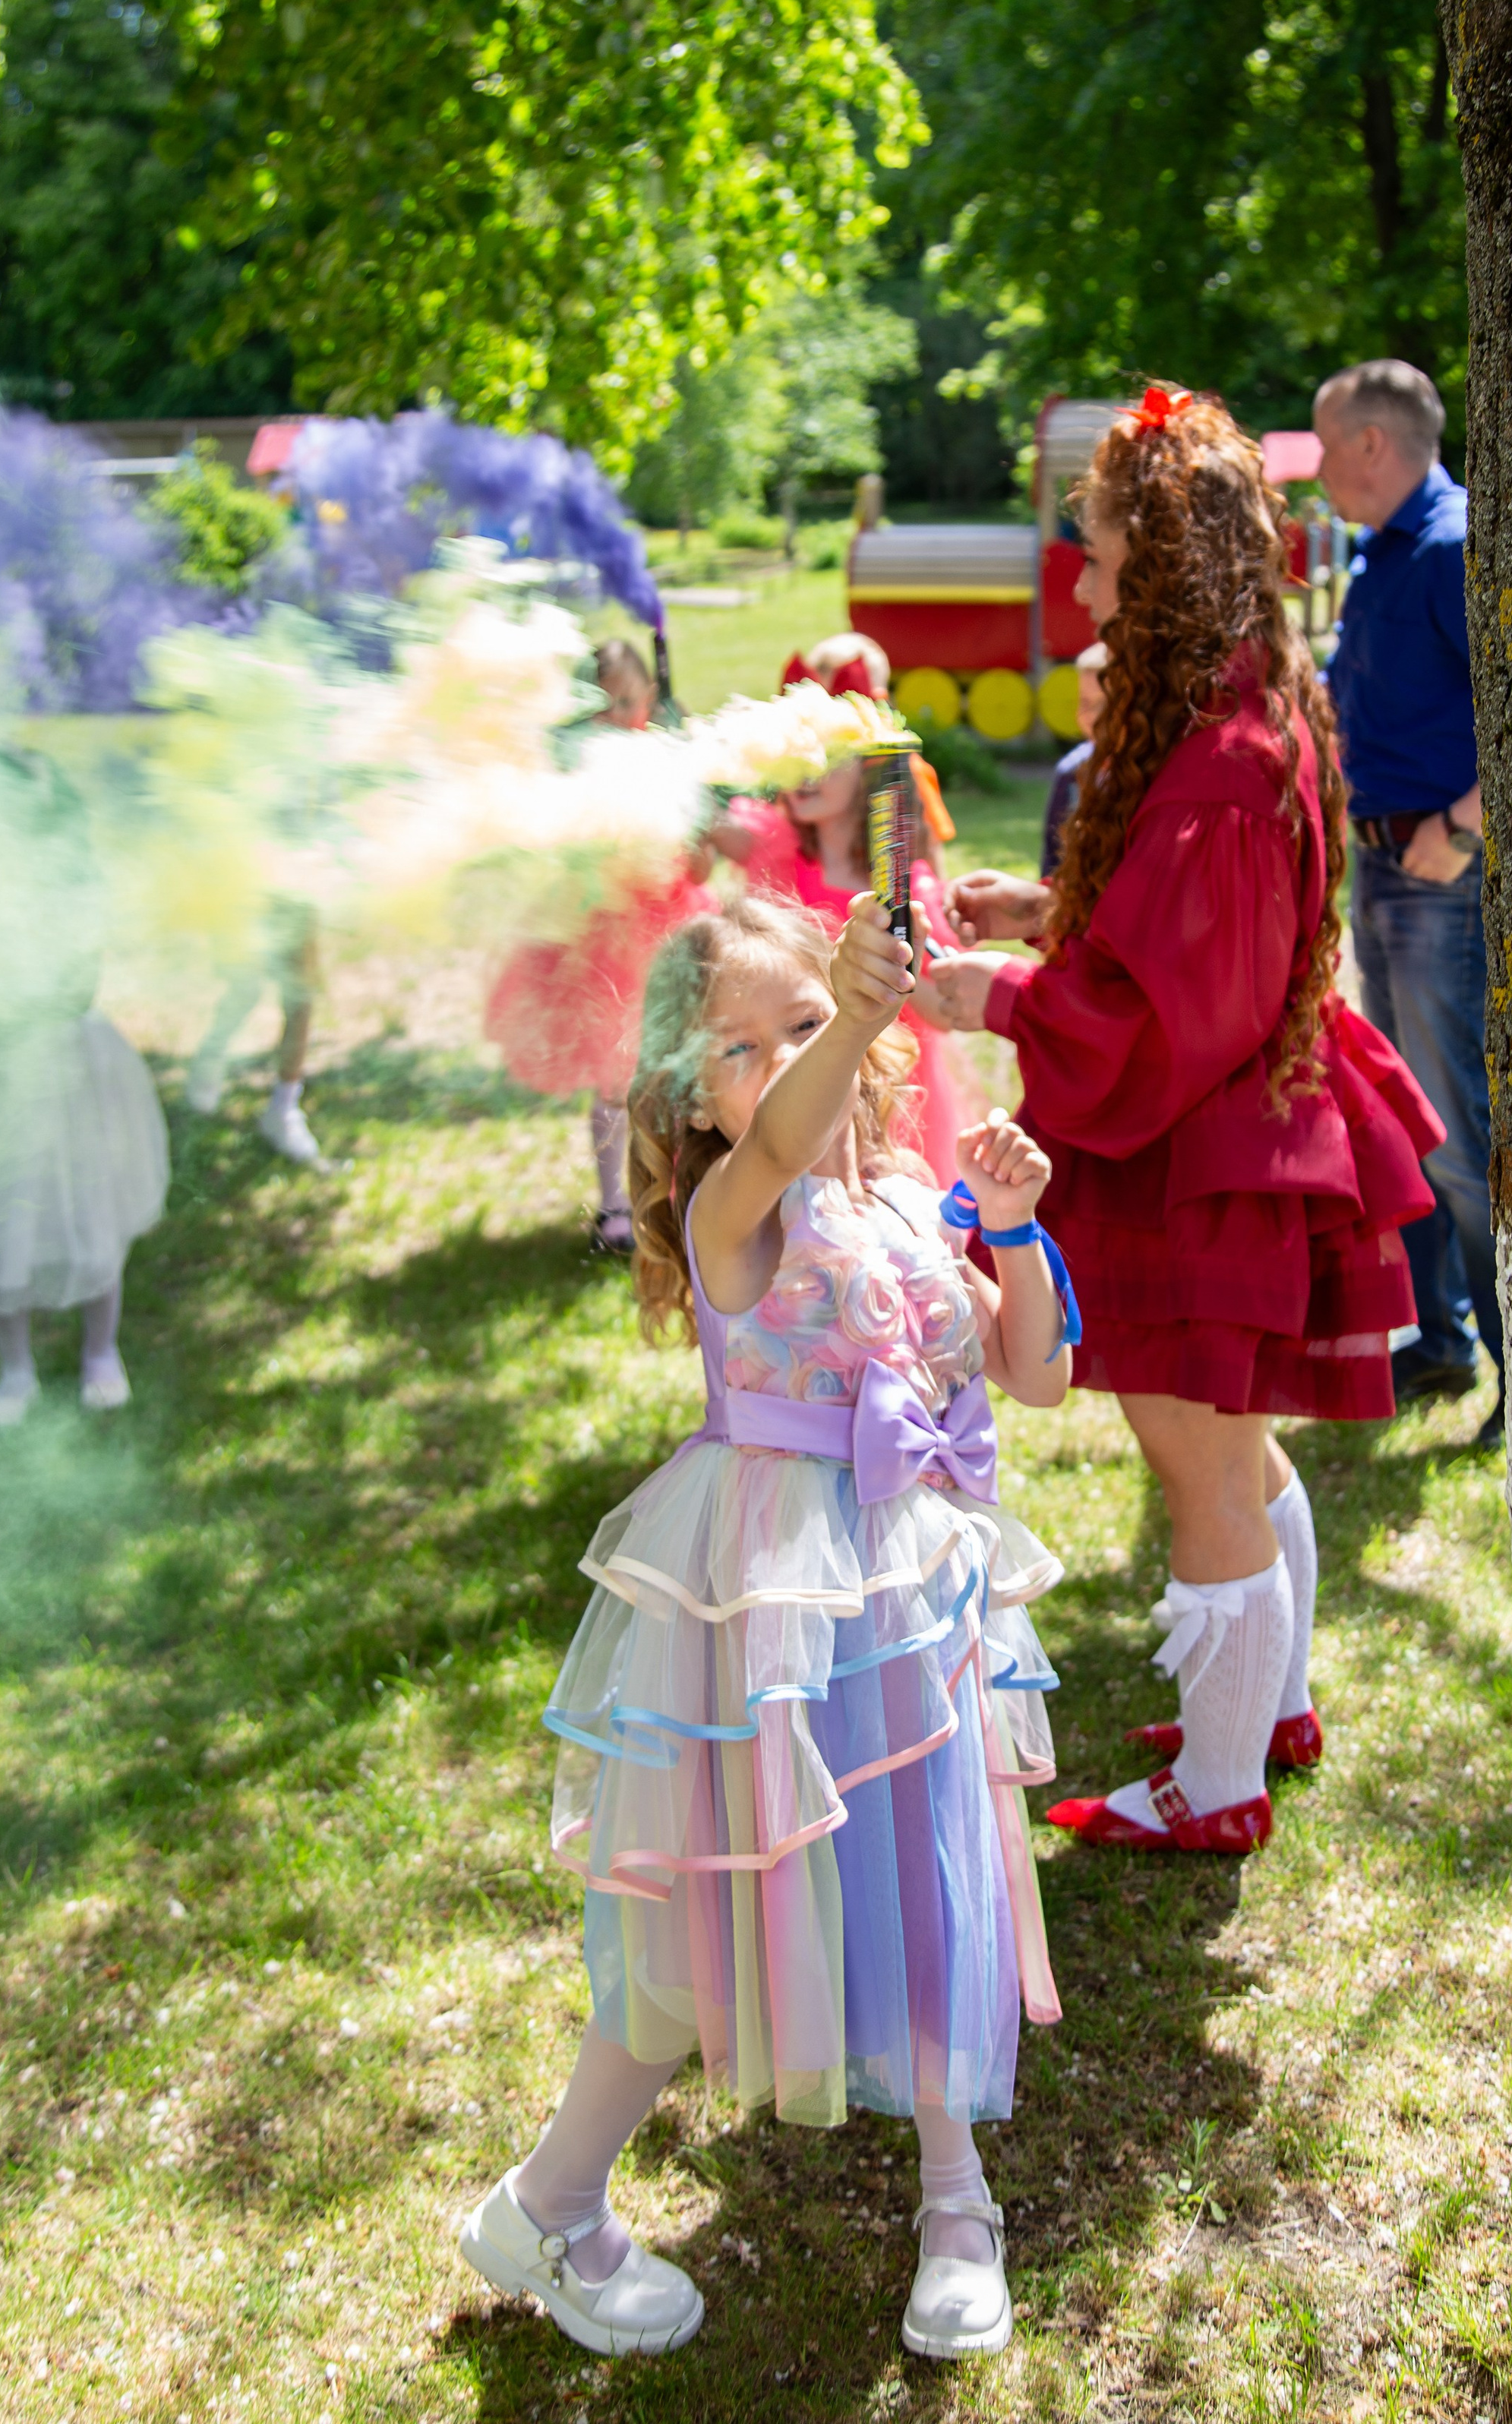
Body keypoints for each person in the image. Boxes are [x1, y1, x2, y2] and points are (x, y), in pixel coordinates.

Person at [456, 892, 1069, 2359]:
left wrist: (1030, 1234)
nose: (782, 1061)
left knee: (928, 1880)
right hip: (772, 1604)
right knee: (713, 1917)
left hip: (912, 1593)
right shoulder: (732, 1205)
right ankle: (548, 2200)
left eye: (806, 1023)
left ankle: (956, 2199)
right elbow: (788, 1138)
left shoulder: (921, 1205)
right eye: (741, 1049)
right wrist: (857, 1006)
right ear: (693, 1095)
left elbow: (1031, 1376)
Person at [924, 387, 1441, 1853]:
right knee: (1243, 1452)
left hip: (1201, 1159)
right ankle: (1259, 1708)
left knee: (1201, 1466)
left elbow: (1169, 1014)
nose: (1076, 584)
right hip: (1235, 1131)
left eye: (1092, 558)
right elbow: (1190, 933)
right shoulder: (1245, 707)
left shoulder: (1220, 755)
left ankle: (1216, 1795)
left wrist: (1005, 998)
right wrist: (1055, 912)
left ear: (1154, 569)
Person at [1314, 358, 1501, 1444]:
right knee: (1404, 1119)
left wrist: (1462, 828)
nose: (1322, 469)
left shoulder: (1456, 546)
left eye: (1329, 445)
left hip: (1442, 870)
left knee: (1456, 1126)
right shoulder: (1382, 554)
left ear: (1374, 444)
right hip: (1382, 866)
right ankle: (1439, 1340)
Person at [0, 749, 169, 1423]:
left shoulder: (72, 881)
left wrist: (0, 1020)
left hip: (63, 1065)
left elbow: (76, 986)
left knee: (87, 1207)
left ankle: (100, 1352)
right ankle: (15, 1372)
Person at [483, 638, 721, 1253]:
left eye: (626, 701)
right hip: (606, 941)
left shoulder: (669, 763)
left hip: (668, 931)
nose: (616, 717)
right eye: (601, 706)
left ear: (648, 698)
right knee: (614, 1074)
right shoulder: (577, 776)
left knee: (679, 1067)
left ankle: (682, 1191)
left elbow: (699, 867)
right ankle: (615, 1206)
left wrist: (689, 830)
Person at [734, 637, 974, 1184]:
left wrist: (911, 967)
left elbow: (937, 1010)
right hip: (794, 1083)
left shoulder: (900, 886)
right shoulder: (772, 862)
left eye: (828, 756)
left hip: (892, 1090)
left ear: (868, 768)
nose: (807, 771)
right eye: (795, 756)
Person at [186, 900, 331, 1168]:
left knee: (302, 992)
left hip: (297, 874)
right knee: (245, 986)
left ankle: (283, 1108)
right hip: (245, 874)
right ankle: (210, 1058)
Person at [1041, 642, 1108, 876]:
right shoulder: (1070, 772)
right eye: (1084, 702)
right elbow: (1051, 853)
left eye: (1103, 703)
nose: (1091, 715)